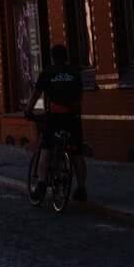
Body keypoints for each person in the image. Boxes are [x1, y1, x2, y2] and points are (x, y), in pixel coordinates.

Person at [23, 44, 87, 202]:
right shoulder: (74, 73)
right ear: (65, 57)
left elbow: (36, 94)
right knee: (77, 153)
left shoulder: (48, 73)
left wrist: (28, 110)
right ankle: (81, 188)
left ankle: (42, 184)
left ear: (53, 57)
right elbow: (79, 95)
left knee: (46, 149)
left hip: (55, 118)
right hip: (72, 118)